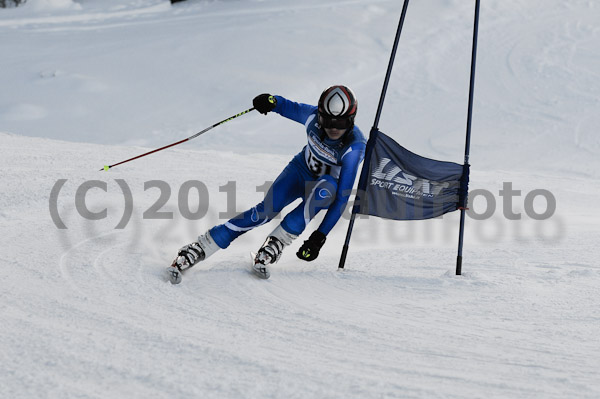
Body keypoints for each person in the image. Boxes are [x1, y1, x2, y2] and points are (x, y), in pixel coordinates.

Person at [167, 85, 366, 283]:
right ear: (319, 114)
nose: (333, 128)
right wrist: (270, 101)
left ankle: (278, 241)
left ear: (351, 120)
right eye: (327, 121)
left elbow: (342, 198)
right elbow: (285, 105)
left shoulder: (354, 147)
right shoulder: (312, 117)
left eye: (340, 123)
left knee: (328, 188)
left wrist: (318, 238)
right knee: (264, 212)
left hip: (322, 188)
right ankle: (203, 245)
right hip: (299, 172)